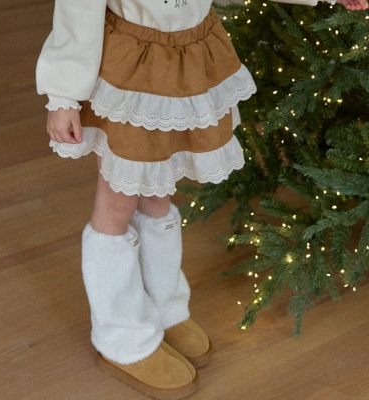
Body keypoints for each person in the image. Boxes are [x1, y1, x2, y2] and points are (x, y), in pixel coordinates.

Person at [36, 0, 367, 398]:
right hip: (133, 71)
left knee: (158, 196)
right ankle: (122, 337)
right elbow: (78, 9)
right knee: (117, 203)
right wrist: (63, 95)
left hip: (192, 59)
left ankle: (164, 309)